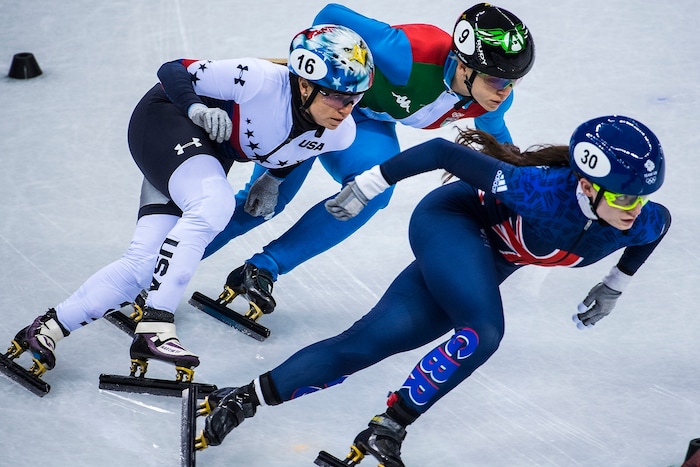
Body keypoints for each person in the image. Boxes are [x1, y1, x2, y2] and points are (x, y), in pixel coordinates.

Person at [195, 115, 670, 466]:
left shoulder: (639, 220)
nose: (634, 209)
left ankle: (241, 398)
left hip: (485, 259)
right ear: (587, 186)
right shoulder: (539, 191)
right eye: (624, 196)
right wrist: (368, 183)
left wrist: (614, 285)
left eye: (640, 196)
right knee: (483, 331)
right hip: (452, 223)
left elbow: (656, 230)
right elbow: (442, 153)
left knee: (369, 342)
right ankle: (389, 429)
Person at [4, 25, 374, 383]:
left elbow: (302, 148)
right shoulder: (260, 79)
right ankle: (157, 323)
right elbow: (173, 69)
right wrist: (195, 107)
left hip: (206, 153)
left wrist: (272, 178)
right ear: (305, 84)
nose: (346, 108)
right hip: (167, 118)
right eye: (338, 96)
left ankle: (48, 327)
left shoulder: (341, 133)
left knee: (144, 266)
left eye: (355, 98)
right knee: (214, 204)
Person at [198, 3, 536, 319]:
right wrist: (321, 76)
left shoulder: (492, 100)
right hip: (315, 108)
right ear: (464, 66)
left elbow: (499, 146)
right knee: (265, 203)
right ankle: (162, 265)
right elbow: (329, 14)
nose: (504, 90)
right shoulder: (408, 53)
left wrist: (524, 193)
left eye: (513, 80)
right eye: (496, 79)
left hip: (364, 122)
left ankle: (262, 268)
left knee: (371, 190)